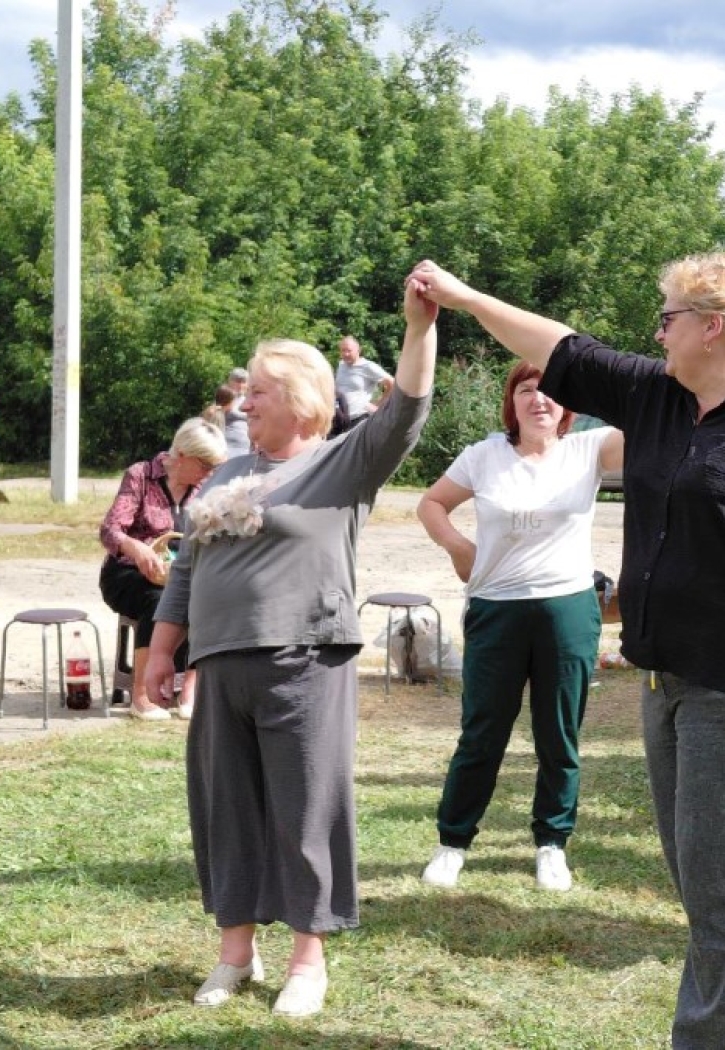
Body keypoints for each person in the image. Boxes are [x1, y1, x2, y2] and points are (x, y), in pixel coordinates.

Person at [408, 251, 725, 1050]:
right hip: (668, 679)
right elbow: (561, 347)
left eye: (668, 318)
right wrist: (458, 295)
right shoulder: (659, 397)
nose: (657, 332)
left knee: (724, 892)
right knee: (718, 887)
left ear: (715, 328)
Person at [145, 283, 437, 1017]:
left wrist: (418, 324)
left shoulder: (343, 463)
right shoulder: (227, 473)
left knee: (306, 809)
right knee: (228, 809)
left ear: (305, 398)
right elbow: (187, 568)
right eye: (248, 391)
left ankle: (308, 961)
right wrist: (162, 649)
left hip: (305, 659)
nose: (246, 403)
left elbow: (406, 409)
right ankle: (234, 955)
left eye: (263, 391)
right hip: (221, 666)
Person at [417, 362, 624, 892]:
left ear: (567, 406)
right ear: (511, 403)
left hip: (568, 611)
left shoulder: (590, 447)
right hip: (496, 609)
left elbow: (655, 419)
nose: (539, 401)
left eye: (551, 392)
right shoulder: (483, 455)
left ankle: (552, 844)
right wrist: (459, 548)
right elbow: (432, 503)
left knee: (559, 736)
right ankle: (452, 843)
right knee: (482, 733)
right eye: (526, 391)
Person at [98, 417, 227, 720]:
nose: (210, 473)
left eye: (214, 467)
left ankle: (189, 690)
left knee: (207, 597)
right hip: (128, 574)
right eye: (205, 465)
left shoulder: (205, 486)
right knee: (159, 600)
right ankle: (141, 695)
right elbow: (110, 530)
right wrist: (136, 547)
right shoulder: (141, 476)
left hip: (180, 575)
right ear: (181, 455)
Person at [335, 335, 394, 428]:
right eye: (343, 350)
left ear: (358, 350)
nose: (346, 354)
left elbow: (392, 383)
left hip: (358, 419)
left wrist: (378, 405)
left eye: (349, 351)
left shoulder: (367, 366)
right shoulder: (341, 364)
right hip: (340, 418)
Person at [223, 368, 251, 456]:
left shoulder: (250, 400)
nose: (241, 385)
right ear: (230, 382)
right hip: (226, 445)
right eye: (238, 381)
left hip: (246, 447)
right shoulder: (224, 399)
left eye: (243, 382)